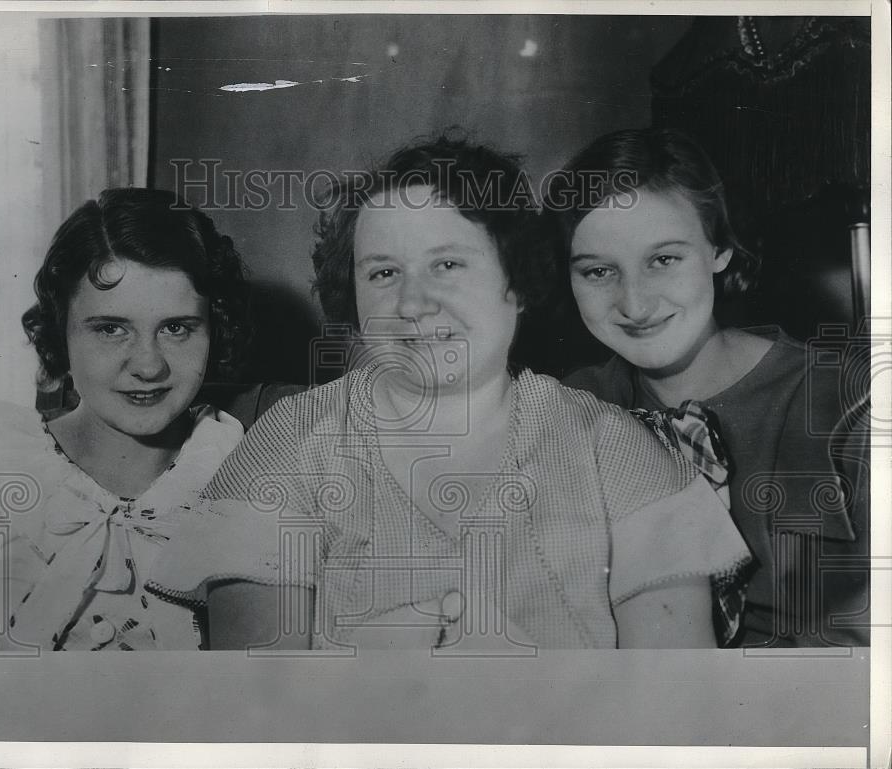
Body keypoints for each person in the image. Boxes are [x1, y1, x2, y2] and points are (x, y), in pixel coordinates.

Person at [146, 134, 752, 650]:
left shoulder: (614, 452)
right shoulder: (288, 447)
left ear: (519, 281)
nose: (411, 305)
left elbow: (674, 710)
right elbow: (257, 714)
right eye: (383, 273)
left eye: (447, 265)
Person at [549, 128, 869, 647]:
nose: (634, 304)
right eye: (599, 271)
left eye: (663, 260)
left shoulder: (849, 406)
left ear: (720, 248)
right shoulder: (567, 410)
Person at [0, 188, 251, 651]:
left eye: (176, 328)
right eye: (110, 329)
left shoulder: (240, 471)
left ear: (214, 330)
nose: (148, 365)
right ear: (61, 332)